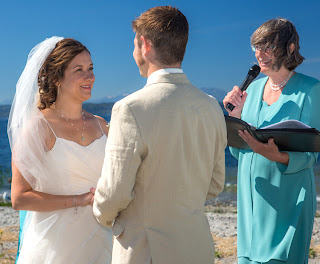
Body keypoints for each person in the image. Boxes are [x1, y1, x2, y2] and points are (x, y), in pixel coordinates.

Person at [92, 6, 227, 264]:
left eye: (134, 45)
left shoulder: (130, 108)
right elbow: (215, 183)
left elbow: (115, 193)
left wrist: (101, 212)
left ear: (144, 45)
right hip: (197, 246)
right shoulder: (211, 105)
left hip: (147, 251)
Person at [223, 18, 320, 263]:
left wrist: (275, 155)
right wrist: (234, 119)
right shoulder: (252, 90)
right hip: (252, 196)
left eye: (269, 47)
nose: (260, 54)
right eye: (256, 47)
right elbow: (242, 151)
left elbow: (312, 155)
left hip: (288, 199)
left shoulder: (311, 90)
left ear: (290, 48)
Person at [8, 37, 113, 264]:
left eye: (91, 68)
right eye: (79, 70)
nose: (90, 76)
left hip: (102, 240)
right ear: (56, 78)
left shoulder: (102, 126)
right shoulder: (38, 128)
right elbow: (19, 197)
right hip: (55, 245)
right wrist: (79, 199)